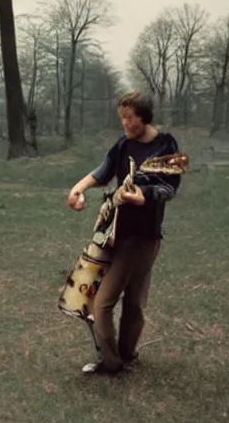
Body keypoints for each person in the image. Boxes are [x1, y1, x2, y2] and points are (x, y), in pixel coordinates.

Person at [66, 91, 182, 375]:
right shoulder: (123, 144)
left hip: (143, 236)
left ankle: (114, 362)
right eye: (122, 117)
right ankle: (123, 356)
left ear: (143, 117)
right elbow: (103, 172)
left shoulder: (165, 145)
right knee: (117, 299)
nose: (125, 123)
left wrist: (143, 196)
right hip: (114, 231)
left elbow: (170, 188)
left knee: (110, 301)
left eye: (129, 118)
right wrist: (77, 189)